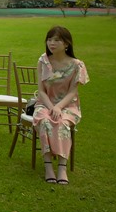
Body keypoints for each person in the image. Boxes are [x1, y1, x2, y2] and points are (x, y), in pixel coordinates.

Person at [33, 26, 88, 185]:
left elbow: (72, 92)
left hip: (68, 106)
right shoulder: (43, 60)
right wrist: (52, 107)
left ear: (67, 44)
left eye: (57, 40)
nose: (52, 43)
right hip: (45, 104)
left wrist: (59, 107)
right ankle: (48, 166)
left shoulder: (77, 65)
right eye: (49, 39)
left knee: (62, 123)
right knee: (45, 122)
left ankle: (62, 168)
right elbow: (41, 91)